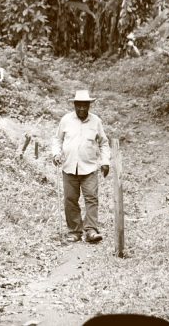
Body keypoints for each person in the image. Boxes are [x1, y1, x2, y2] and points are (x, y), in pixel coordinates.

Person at [52, 90, 110, 243]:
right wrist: (56, 154)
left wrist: (105, 162)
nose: (82, 109)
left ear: (89, 105)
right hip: (69, 167)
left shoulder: (96, 121)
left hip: (89, 167)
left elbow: (104, 143)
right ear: (75, 105)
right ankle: (75, 231)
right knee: (70, 199)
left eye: (85, 106)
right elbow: (57, 140)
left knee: (91, 198)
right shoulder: (66, 120)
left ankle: (91, 230)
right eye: (79, 106)